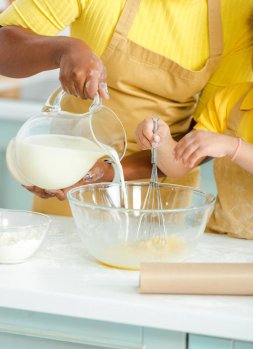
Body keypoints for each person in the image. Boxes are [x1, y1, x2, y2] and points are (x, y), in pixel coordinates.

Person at [0, 0, 252, 216]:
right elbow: (5, 42)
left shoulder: (238, 10)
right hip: (69, 182)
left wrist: (106, 173)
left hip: (160, 198)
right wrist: (63, 49)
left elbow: (209, 131)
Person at [135, 15, 253, 239]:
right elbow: (178, 166)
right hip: (223, 240)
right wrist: (161, 139)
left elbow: (231, 147)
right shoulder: (229, 100)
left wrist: (232, 146)